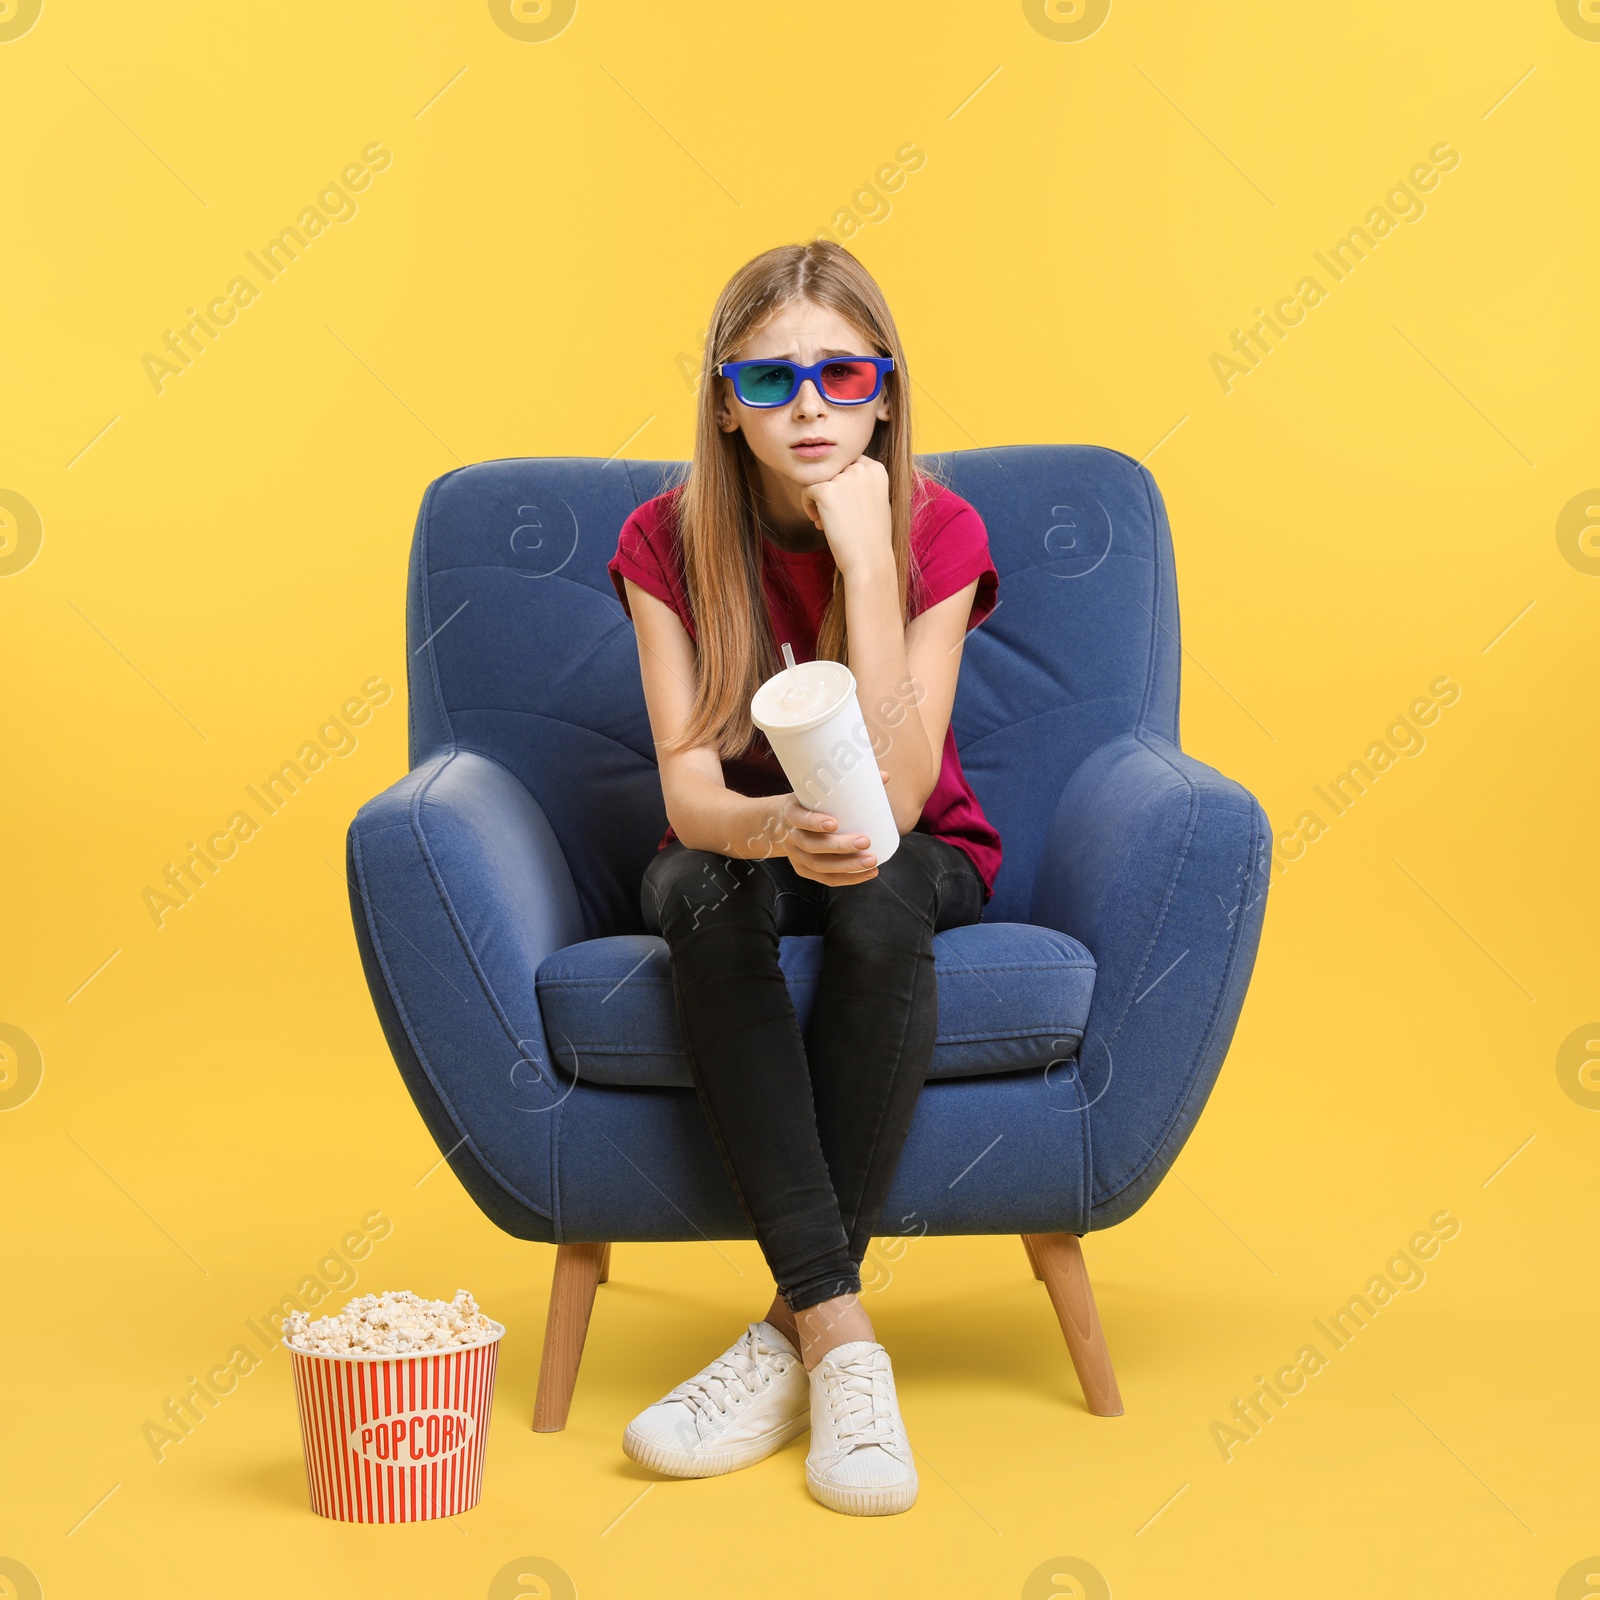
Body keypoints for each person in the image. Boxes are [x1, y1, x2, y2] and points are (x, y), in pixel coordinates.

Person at [605, 240, 1001, 1517]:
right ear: (724, 400)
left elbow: (890, 800)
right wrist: (774, 831)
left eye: (841, 373)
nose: (811, 407)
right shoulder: (662, 540)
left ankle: (785, 1333)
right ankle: (842, 1343)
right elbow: (688, 794)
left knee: (880, 904)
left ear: (885, 390)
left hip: (912, 842)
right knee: (703, 906)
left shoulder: (936, 528)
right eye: (771, 380)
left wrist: (870, 563)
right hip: (738, 839)